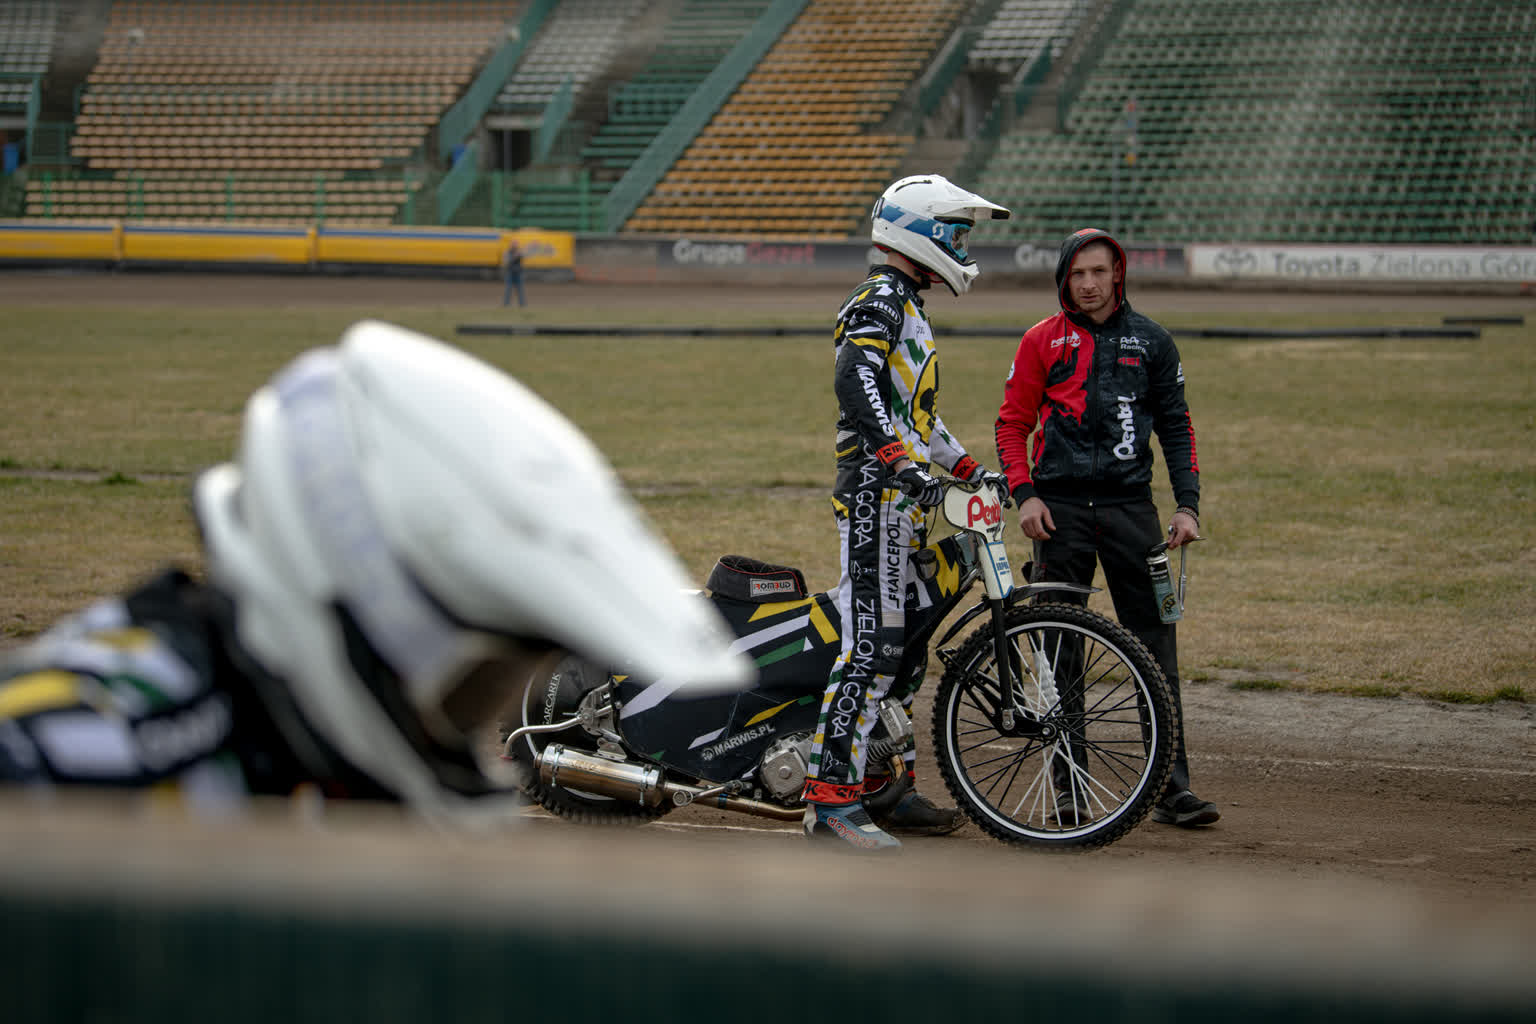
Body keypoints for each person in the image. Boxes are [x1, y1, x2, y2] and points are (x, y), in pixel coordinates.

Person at [0, 321, 751, 823]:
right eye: (474, 689)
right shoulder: (66, 763)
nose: (479, 732)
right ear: (365, 605)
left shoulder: (279, 747)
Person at [802, 174, 1012, 852]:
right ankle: (831, 802)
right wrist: (894, 456)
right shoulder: (879, 298)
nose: (962, 244)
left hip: (904, 498)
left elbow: (916, 412)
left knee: (905, 652)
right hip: (873, 495)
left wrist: (964, 467)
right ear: (913, 230)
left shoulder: (908, 306)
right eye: (953, 231)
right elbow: (853, 378)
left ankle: (886, 787)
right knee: (870, 647)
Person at [994, 227, 1219, 828]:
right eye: (1078, 274)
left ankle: (1172, 789)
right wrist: (1025, 495)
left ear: (1118, 273)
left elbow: (1178, 429)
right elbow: (1011, 424)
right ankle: (1069, 790)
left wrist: (1188, 507)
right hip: (1058, 517)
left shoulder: (1152, 342)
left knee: (1156, 648)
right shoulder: (1042, 340)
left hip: (1132, 512)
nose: (1089, 284)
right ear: (1064, 279)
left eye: (1099, 272)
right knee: (1061, 654)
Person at [501, 239, 525, 307]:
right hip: (510, 272)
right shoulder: (507, 252)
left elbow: (523, 257)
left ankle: (522, 304)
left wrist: (519, 255)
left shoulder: (520, 252)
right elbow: (506, 262)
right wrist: (514, 257)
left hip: (518, 273)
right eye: (514, 244)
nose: (515, 245)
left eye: (516, 244)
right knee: (508, 289)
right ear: (511, 245)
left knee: (520, 289)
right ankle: (506, 304)